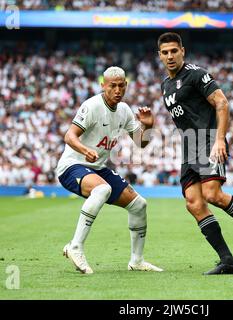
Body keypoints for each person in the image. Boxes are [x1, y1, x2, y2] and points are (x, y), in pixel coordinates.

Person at [157, 32, 233, 275]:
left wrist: (219, 140)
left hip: (208, 142)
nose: (170, 56)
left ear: (182, 51)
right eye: (165, 52)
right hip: (189, 148)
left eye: (174, 50)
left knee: (212, 194)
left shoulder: (196, 74)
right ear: (159, 56)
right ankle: (228, 261)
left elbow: (222, 103)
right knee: (194, 203)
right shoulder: (165, 85)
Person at [56, 66, 163, 274]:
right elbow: (69, 136)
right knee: (102, 190)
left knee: (139, 205)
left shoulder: (123, 110)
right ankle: (75, 246)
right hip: (71, 166)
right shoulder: (92, 106)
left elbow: (141, 142)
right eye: (112, 86)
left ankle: (137, 261)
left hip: (97, 168)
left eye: (121, 86)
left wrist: (148, 126)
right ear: (102, 85)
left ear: (126, 86)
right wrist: (84, 149)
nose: (117, 90)